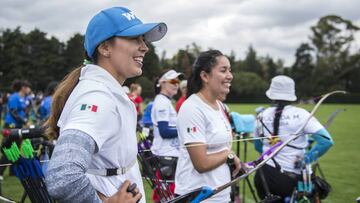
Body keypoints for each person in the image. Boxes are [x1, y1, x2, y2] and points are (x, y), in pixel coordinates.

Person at [45, 6, 167, 203]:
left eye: (143, 39)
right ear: (105, 48)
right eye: (134, 38)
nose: (144, 47)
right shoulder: (98, 97)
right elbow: (63, 177)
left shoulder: (105, 91)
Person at [253, 75, 334, 202]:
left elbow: (258, 146)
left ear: (271, 94)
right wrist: (306, 159)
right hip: (291, 180)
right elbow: (326, 141)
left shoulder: (261, 115)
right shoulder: (301, 115)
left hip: (264, 177)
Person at [175, 50, 241, 203]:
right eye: (223, 70)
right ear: (205, 76)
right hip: (198, 197)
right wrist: (227, 154)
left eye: (230, 70)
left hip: (221, 194)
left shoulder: (220, 106)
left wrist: (230, 156)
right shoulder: (192, 108)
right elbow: (201, 163)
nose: (230, 76)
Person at [150, 69, 181, 202]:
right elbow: (165, 132)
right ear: (163, 83)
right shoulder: (162, 102)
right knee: (166, 198)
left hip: (171, 155)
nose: (176, 84)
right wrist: (185, 130)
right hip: (166, 156)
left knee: (168, 197)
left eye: (178, 82)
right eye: (173, 81)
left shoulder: (165, 101)